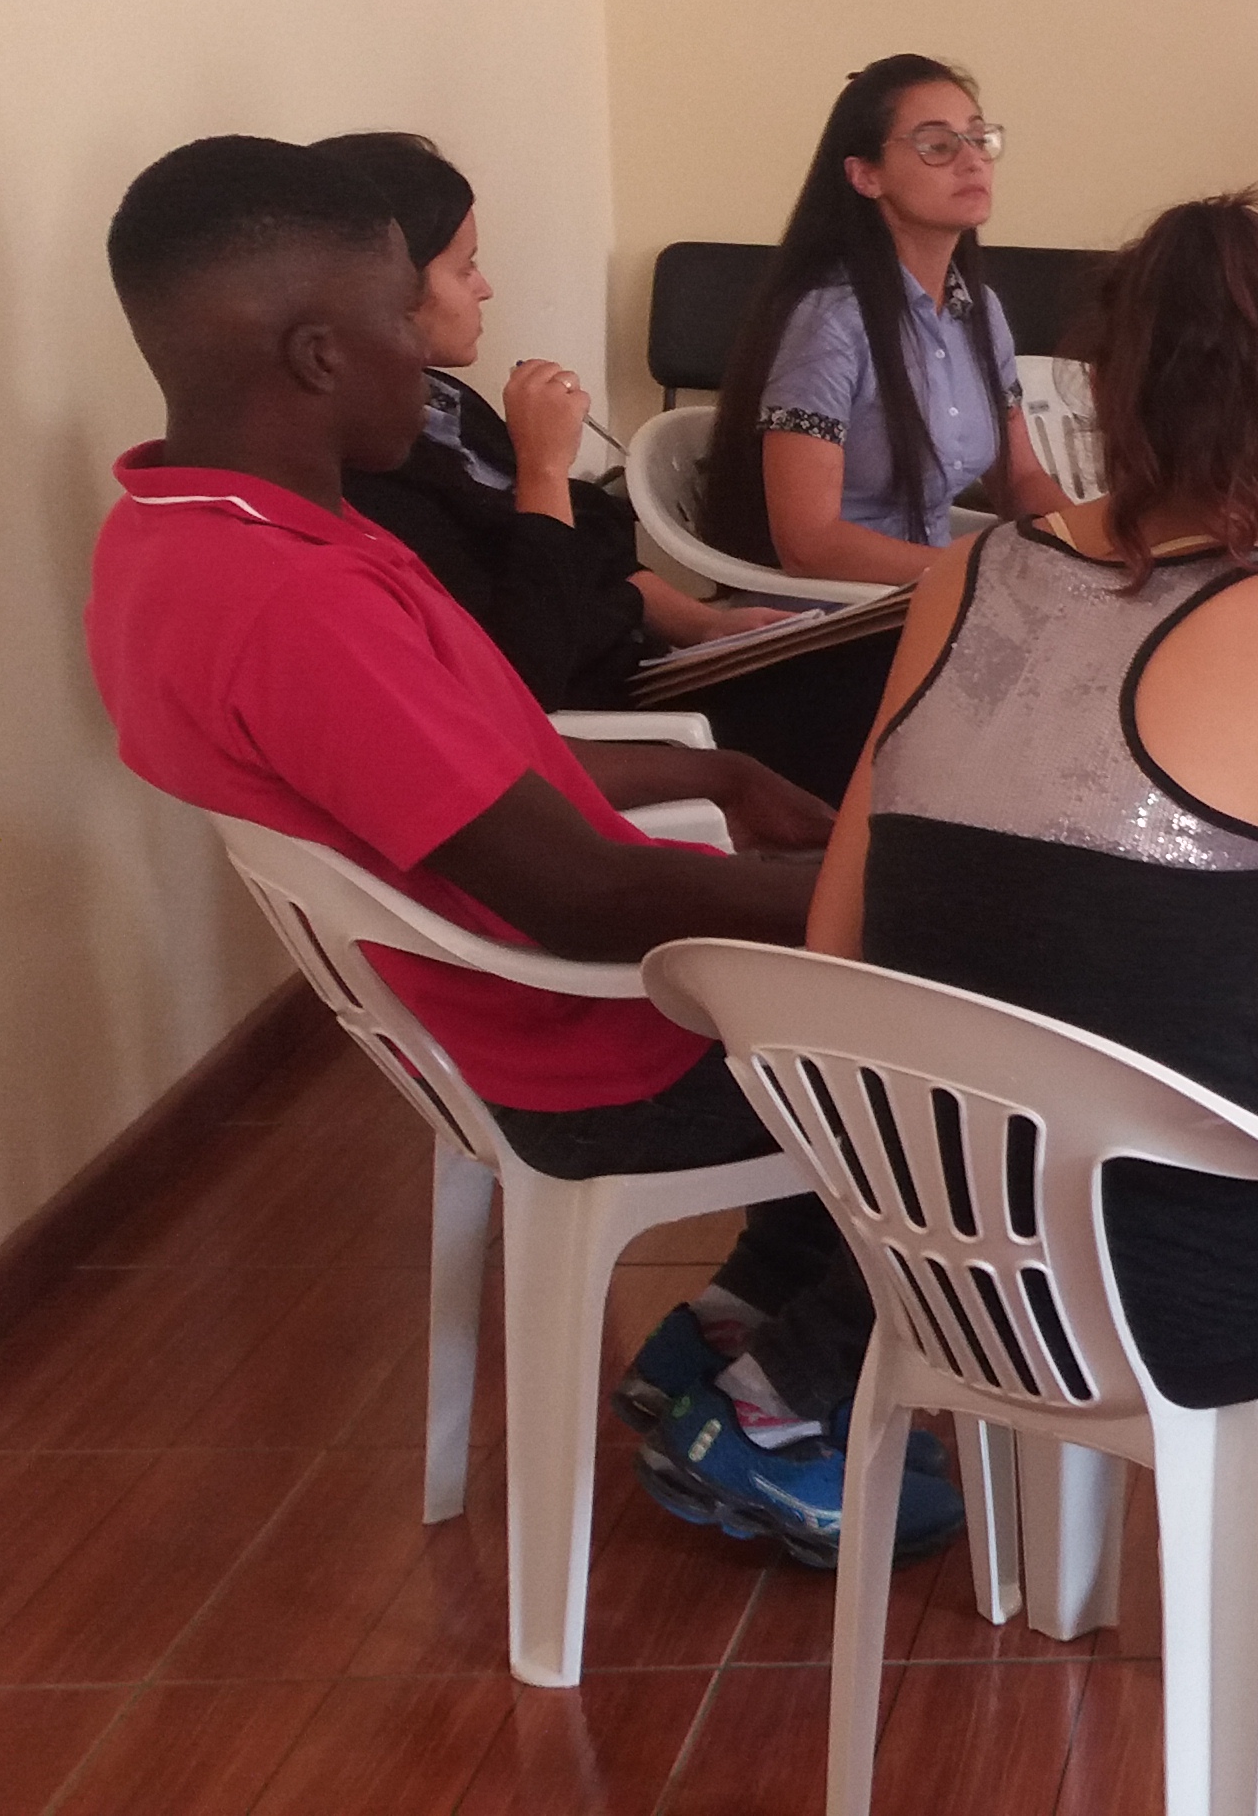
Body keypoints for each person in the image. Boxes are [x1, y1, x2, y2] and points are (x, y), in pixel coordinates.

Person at [80, 136, 953, 1566]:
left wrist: (725, 769)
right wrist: (888, 898)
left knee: (945, 914)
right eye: (395, 332)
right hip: (600, 1055)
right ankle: (789, 1411)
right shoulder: (294, 602)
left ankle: (736, 1326)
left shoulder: (184, 533)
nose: (428, 374)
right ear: (314, 354)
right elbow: (586, 893)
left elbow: (480, 767)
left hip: (500, 1025)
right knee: (1027, 1019)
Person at [818, 191, 1258, 1721]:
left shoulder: (960, 579)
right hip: (1188, 1305)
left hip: (941, 1262)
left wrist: (1224, 939)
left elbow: (846, 945)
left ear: (1092, 396)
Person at [318, 132, 898, 801]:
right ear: (386, 288)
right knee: (885, 706)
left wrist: (704, 626)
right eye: (464, 268)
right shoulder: (367, 473)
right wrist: (541, 470)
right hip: (597, 728)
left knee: (895, 658)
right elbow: (524, 674)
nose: (486, 288)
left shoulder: (443, 403)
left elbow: (589, 548)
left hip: (648, 668)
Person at [699, 54, 1075, 587]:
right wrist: (985, 571)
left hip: (932, 599)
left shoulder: (980, 310)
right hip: (837, 619)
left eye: (979, 138)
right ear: (866, 175)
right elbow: (808, 544)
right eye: (937, 145)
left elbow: (1021, 479)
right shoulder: (829, 322)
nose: (972, 162)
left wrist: (1089, 544)